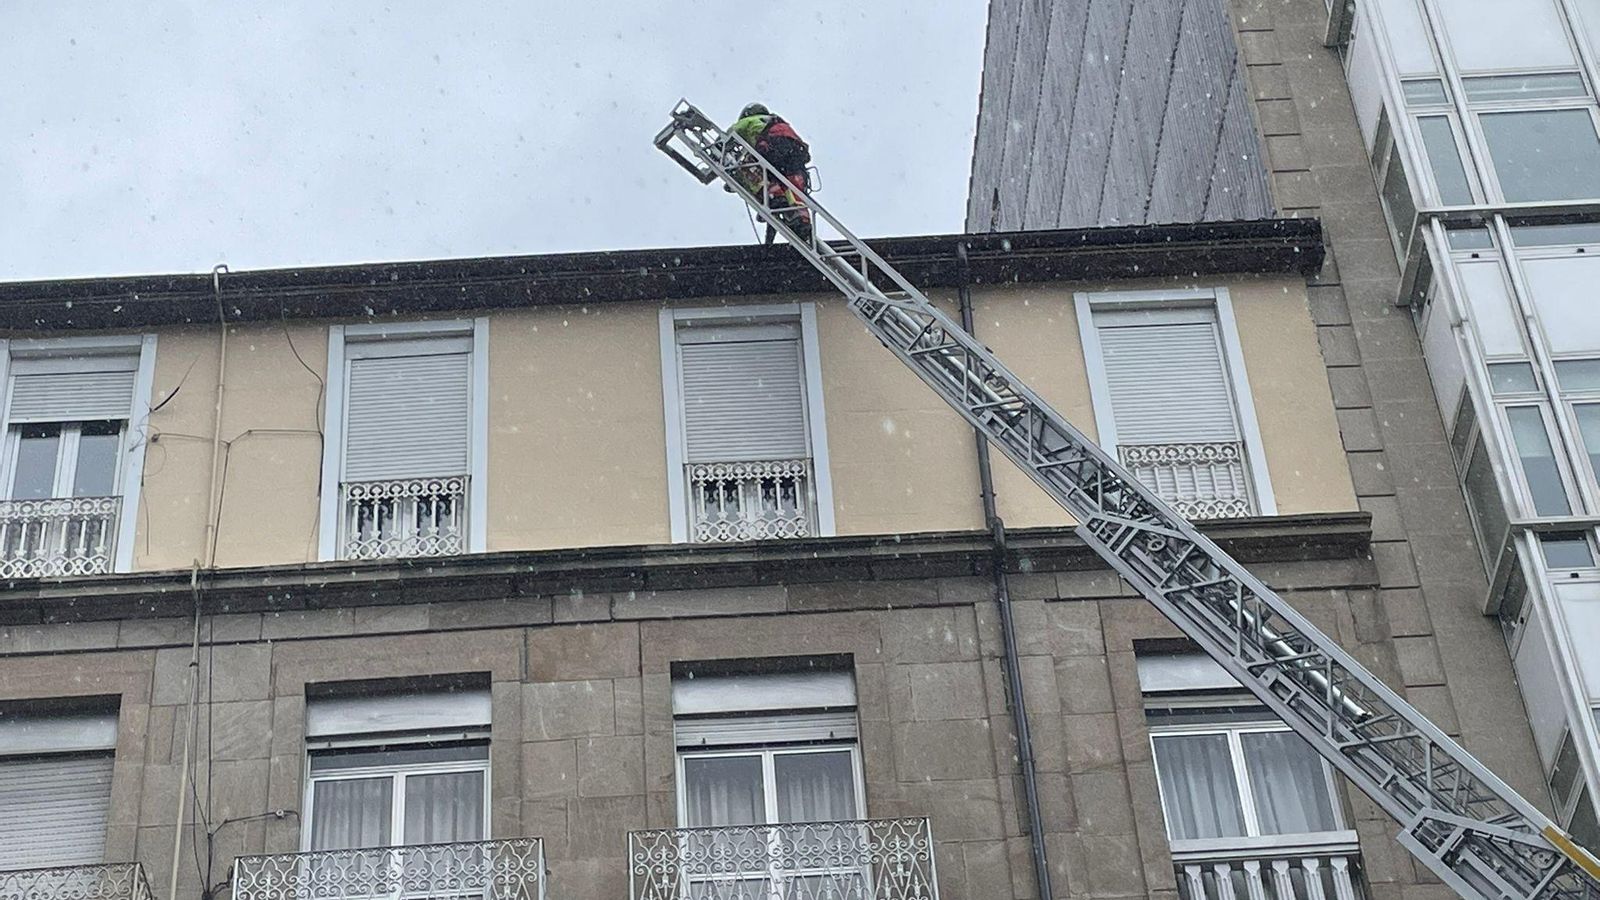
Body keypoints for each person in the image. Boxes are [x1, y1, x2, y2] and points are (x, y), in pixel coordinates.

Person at [727, 103, 813, 244]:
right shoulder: (778, 122)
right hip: (795, 155)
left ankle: (774, 196)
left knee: (748, 167)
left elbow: (731, 133)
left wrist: (720, 148)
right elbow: (774, 219)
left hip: (774, 147)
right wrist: (769, 242)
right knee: (793, 187)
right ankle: (802, 219)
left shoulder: (749, 121)